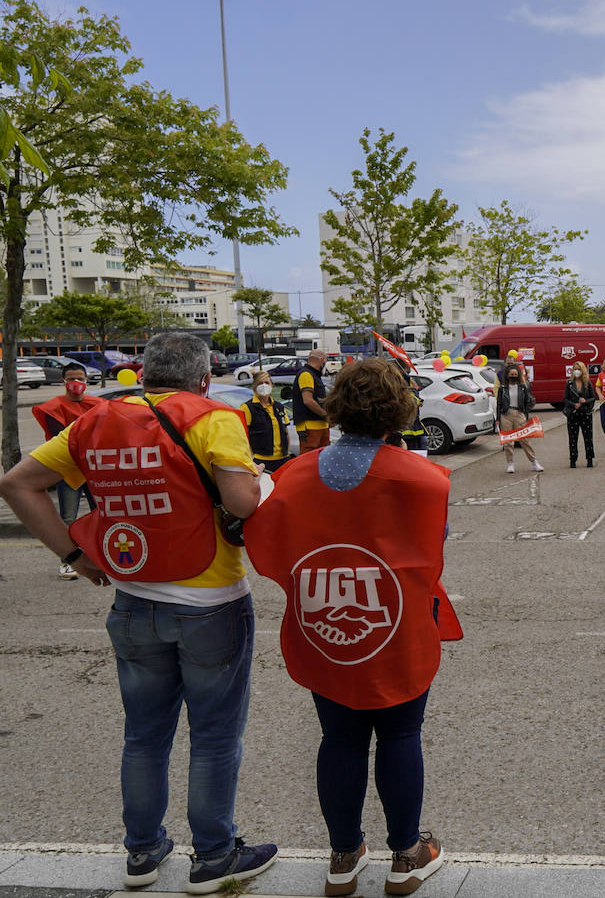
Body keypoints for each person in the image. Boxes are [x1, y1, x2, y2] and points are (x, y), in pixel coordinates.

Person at [0, 332, 275, 893]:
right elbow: (242, 503)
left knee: (144, 736)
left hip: (132, 598)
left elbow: (18, 484)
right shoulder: (213, 417)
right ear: (202, 378)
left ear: (144, 374)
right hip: (210, 603)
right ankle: (215, 855)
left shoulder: (94, 422)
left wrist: (74, 555)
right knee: (215, 737)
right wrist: (265, 483)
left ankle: (143, 852)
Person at [245, 359, 457, 894]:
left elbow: (268, 543)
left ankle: (344, 856)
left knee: (338, 740)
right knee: (401, 734)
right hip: (396, 624)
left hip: (323, 623)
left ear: (337, 407)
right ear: (398, 411)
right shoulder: (423, 479)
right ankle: (407, 853)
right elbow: (436, 541)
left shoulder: (293, 475)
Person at [31, 360, 105, 579]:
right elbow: (62, 439)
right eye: (71, 379)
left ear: (86, 380)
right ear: (64, 381)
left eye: (80, 379)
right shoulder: (54, 407)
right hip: (68, 471)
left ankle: (102, 558)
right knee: (68, 518)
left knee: (101, 515)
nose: (76, 383)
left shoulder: (98, 404)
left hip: (94, 471)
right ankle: (67, 561)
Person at [241, 371, 293, 474]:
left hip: (283, 459)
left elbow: (285, 431)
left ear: (272, 386)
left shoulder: (279, 407)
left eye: (267, 382)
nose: (264, 385)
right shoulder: (247, 408)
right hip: (261, 461)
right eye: (260, 383)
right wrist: (251, 458)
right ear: (255, 387)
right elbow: (243, 435)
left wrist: (287, 451)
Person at [497, 359, 543, 473]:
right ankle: (510, 463)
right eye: (511, 374)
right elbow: (499, 403)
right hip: (506, 415)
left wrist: (524, 413)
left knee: (524, 440)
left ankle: (534, 462)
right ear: (507, 375)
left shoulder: (523, 387)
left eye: (515, 374)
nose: (513, 376)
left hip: (519, 414)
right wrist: (498, 419)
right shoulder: (502, 388)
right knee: (508, 442)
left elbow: (529, 401)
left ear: (518, 375)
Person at [293, 349, 332, 453]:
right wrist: (325, 415)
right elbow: (308, 400)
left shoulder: (315, 375)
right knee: (309, 458)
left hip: (320, 425)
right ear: (322, 360)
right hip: (310, 426)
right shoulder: (306, 374)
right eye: (325, 361)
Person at [564, 361, 596, 468]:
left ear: (583, 370)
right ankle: (573, 459)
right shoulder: (569, 383)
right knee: (573, 437)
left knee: (588, 437)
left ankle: (590, 459)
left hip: (585, 413)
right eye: (575, 369)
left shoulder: (587, 383)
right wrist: (573, 404)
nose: (577, 371)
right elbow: (565, 399)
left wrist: (585, 401)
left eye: (579, 369)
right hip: (573, 414)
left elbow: (593, 397)